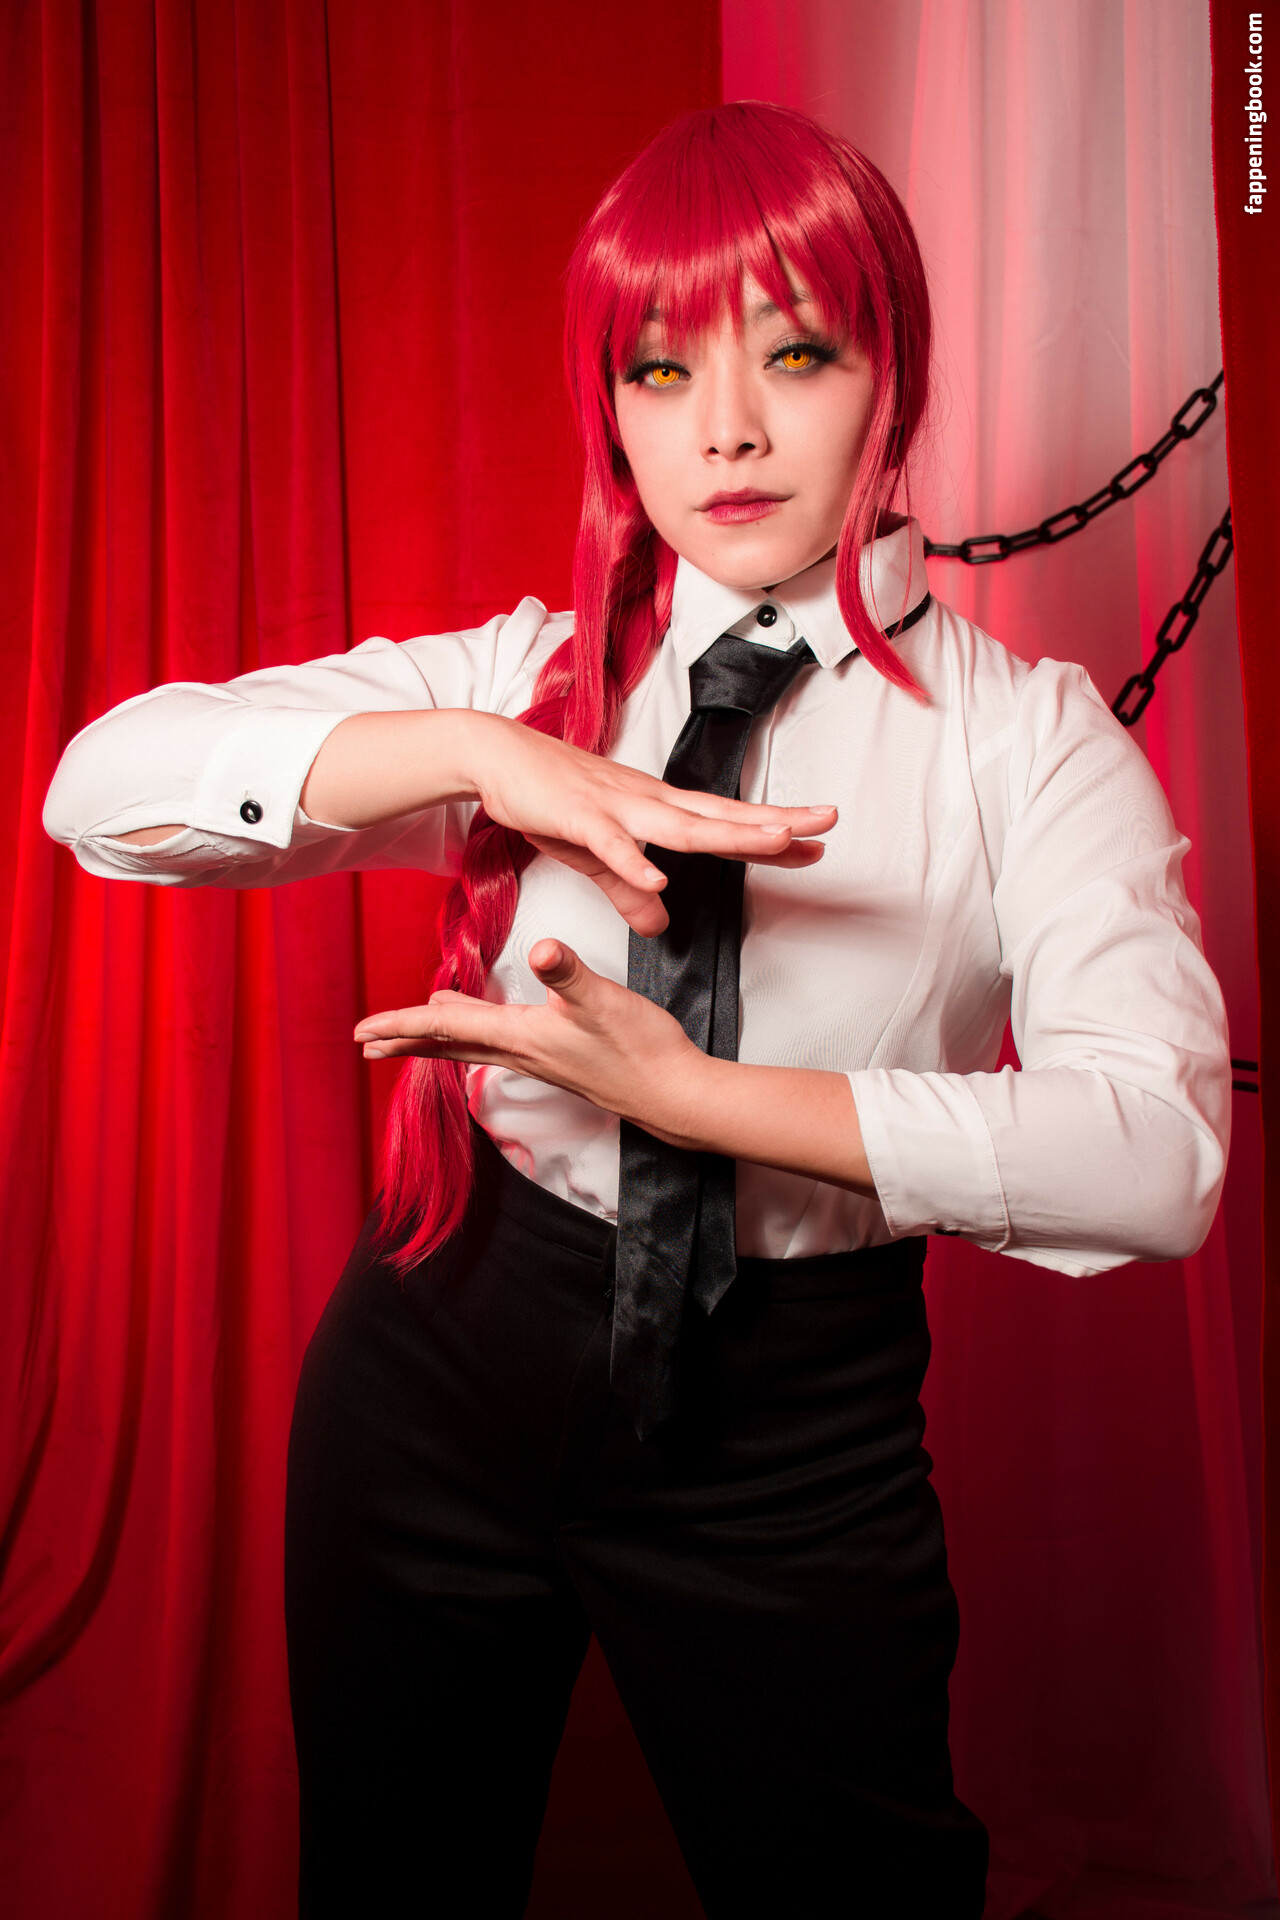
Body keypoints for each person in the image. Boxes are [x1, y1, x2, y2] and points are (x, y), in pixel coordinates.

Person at [43, 101, 1229, 1919]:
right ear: (613, 407)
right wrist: (477, 755)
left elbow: (1158, 1156)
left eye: (796, 354)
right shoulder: (525, 678)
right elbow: (97, 792)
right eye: (663, 369)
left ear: (892, 368)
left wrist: (699, 1098)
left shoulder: (1027, 743)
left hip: (792, 1439)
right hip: (438, 1374)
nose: (726, 427)